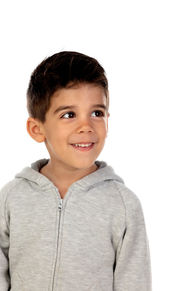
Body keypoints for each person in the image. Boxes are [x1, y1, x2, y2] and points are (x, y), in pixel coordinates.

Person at [0, 51, 152, 291]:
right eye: (69, 115)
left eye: (97, 113)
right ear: (37, 129)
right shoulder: (11, 197)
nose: (86, 126)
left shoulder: (123, 204)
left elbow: (134, 283)